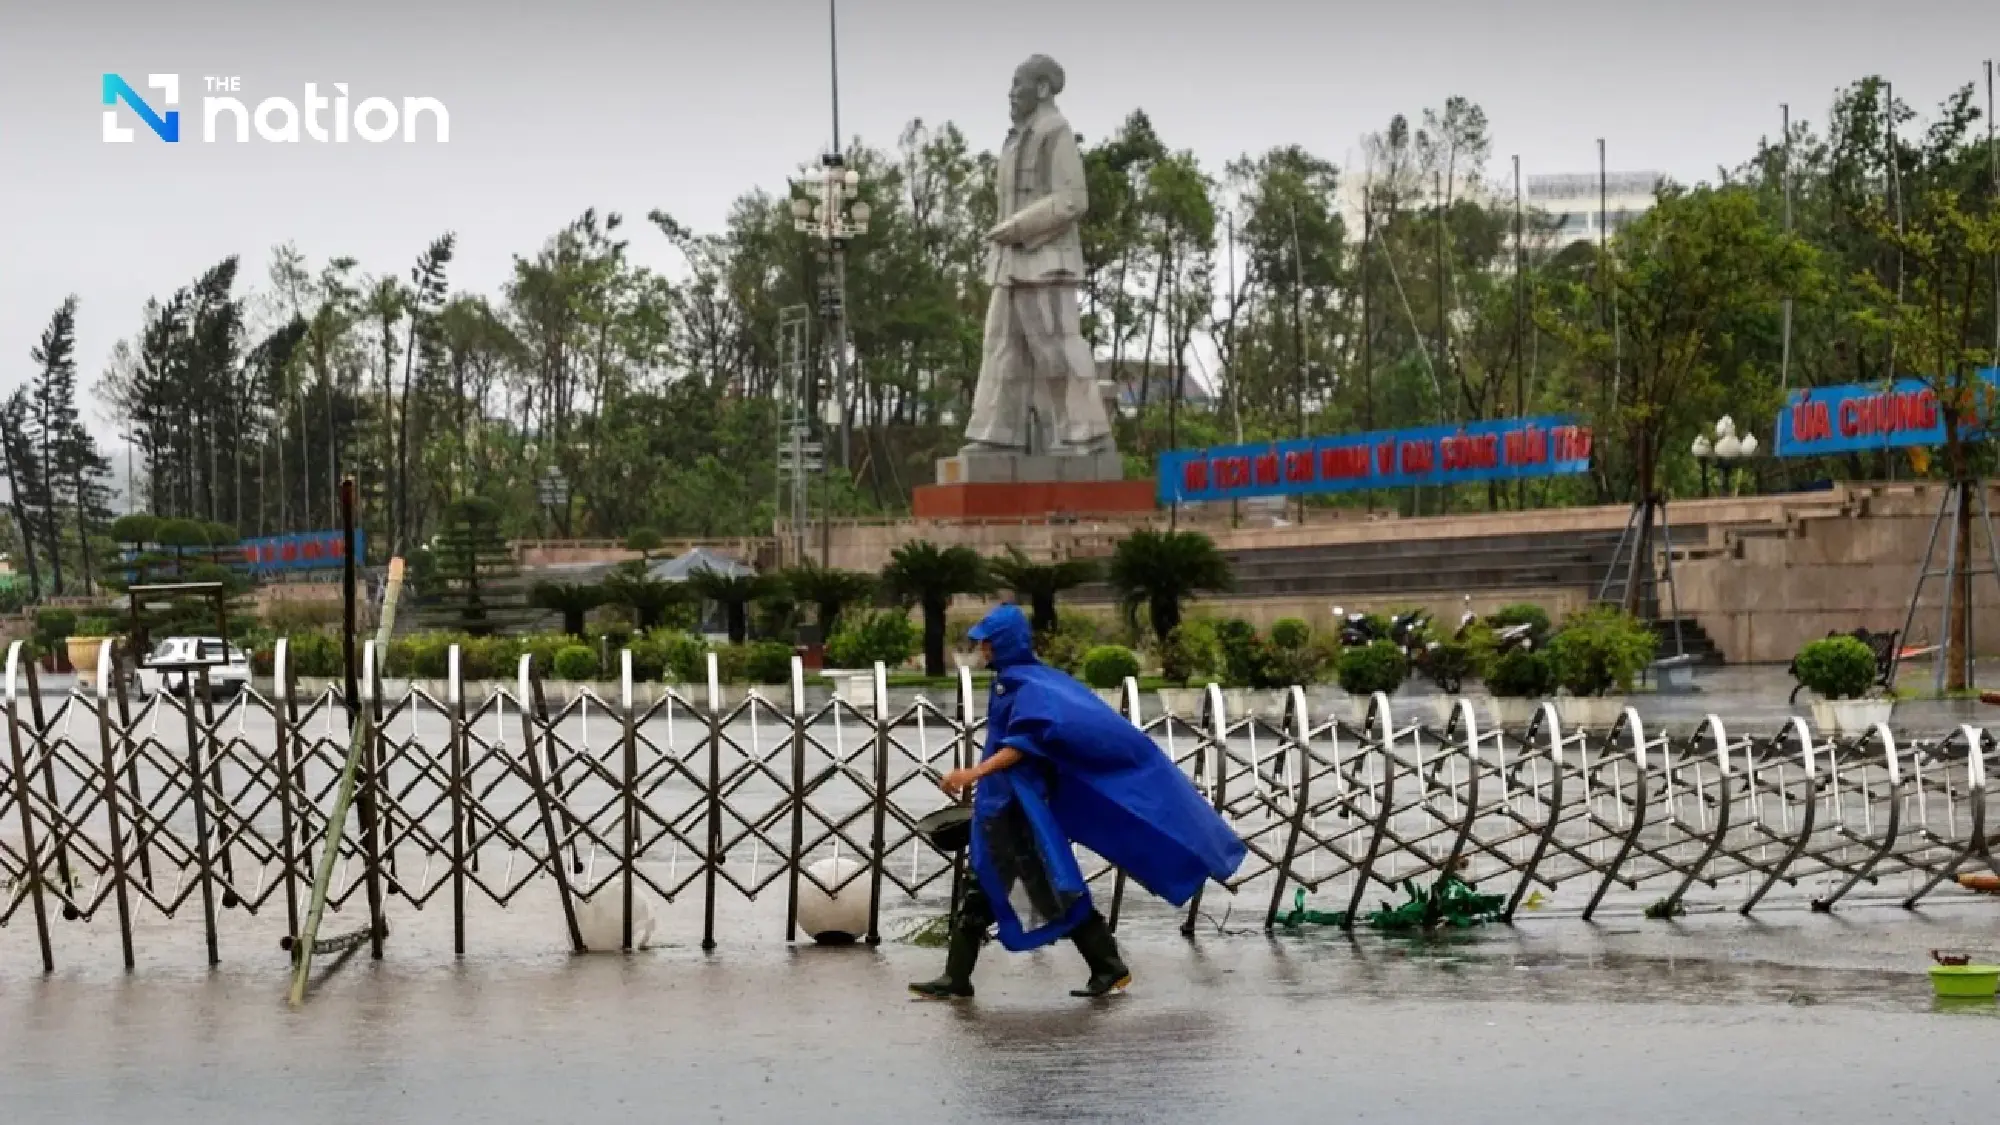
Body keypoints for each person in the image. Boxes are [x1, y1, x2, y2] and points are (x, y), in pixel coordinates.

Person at [909, 603, 1246, 1000]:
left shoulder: (1028, 686)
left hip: (1017, 809)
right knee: (1005, 887)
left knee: (1033, 886)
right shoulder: (1020, 682)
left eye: (986, 644)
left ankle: (1095, 965)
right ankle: (1093, 966)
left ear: (1002, 645)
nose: (981, 651)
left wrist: (971, 774)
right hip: (1004, 805)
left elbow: (1024, 745)